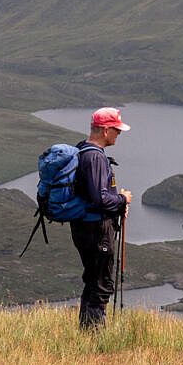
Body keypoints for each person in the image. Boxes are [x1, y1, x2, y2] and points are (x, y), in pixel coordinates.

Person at [71, 107, 133, 330]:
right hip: (96, 230)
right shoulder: (95, 157)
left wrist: (117, 203)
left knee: (92, 281)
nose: (119, 134)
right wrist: (123, 199)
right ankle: (94, 336)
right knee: (101, 284)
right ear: (106, 130)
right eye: (117, 130)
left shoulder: (82, 150)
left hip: (84, 227)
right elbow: (101, 199)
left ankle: (86, 331)